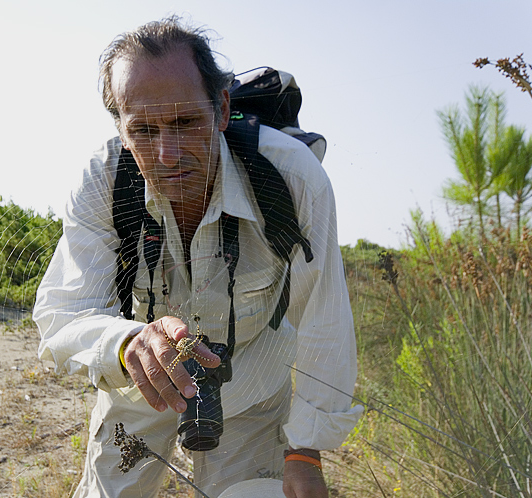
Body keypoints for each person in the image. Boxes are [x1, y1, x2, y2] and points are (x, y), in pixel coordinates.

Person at [33, 17, 363, 498]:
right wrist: (128, 345)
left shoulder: (292, 177)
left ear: (222, 108)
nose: (168, 154)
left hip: (253, 382)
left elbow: (323, 317)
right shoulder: (104, 181)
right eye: (143, 129)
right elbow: (62, 313)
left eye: (185, 122)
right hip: (141, 381)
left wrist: (304, 451)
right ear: (121, 129)